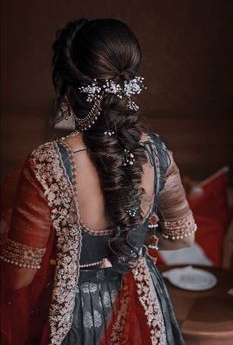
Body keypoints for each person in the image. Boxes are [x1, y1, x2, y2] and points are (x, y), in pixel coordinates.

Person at [0, 18, 197, 345]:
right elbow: (184, 239)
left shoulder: (48, 163)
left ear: (67, 88)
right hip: (142, 311)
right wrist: (135, 243)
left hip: (75, 319)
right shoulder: (158, 153)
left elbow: (19, 275)